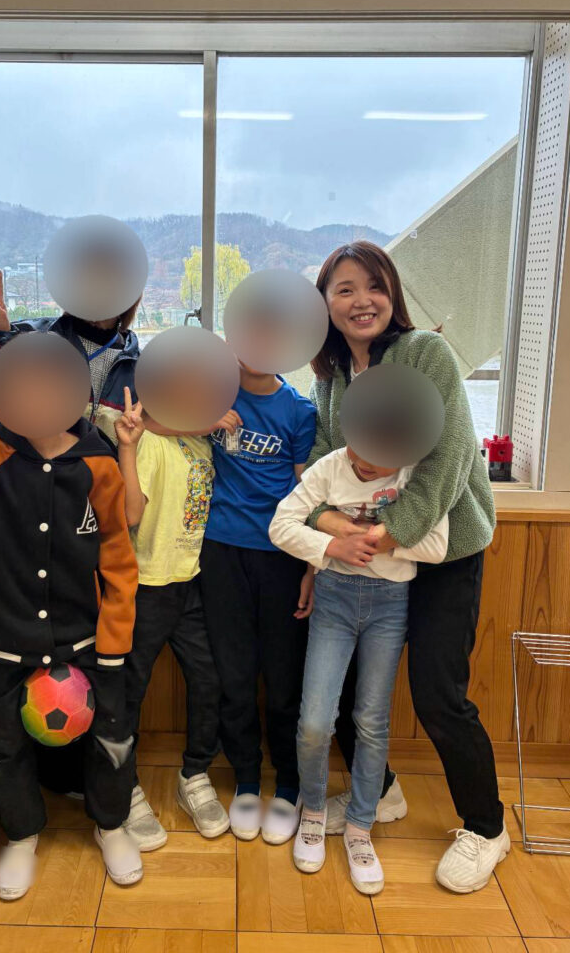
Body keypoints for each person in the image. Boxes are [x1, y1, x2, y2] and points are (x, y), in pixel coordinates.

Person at [0, 263, 144, 916]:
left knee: (82, 702)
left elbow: (123, 494)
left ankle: (91, 812)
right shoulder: (27, 338)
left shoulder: (137, 360)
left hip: (72, 571)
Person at [306, 240, 508, 893]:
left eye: (374, 286)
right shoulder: (330, 380)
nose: (361, 300)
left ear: (392, 294)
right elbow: (324, 468)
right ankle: (383, 791)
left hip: (440, 553)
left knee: (437, 693)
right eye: (344, 289)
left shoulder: (426, 354)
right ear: (324, 303)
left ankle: (486, 827)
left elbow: (451, 455)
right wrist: (328, 535)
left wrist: (389, 533)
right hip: (368, 557)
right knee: (340, 686)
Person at [269, 429, 448, 892]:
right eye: (358, 446)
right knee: (315, 721)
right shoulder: (330, 466)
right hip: (334, 599)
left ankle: (359, 826)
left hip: (391, 603)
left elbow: (437, 546)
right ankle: (313, 811)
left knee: (371, 719)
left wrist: (372, 539)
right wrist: (331, 546)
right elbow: (280, 525)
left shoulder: (417, 475)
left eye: (379, 452)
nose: (364, 461)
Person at [198, 359, 317, 845]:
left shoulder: (300, 410)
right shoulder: (210, 393)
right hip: (220, 551)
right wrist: (200, 420)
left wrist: (311, 568)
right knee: (234, 674)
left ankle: (289, 781)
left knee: (284, 677)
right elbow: (150, 421)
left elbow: (309, 497)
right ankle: (246, 776)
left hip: (281, 556)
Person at [114, 388, 232, 848]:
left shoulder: (201, 442)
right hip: (147, 585)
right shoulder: (147, 440)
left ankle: (195, 774)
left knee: (209, 680)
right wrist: (128, 448)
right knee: (129, 691)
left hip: (192, 581)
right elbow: (130, 513)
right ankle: (124, 786)